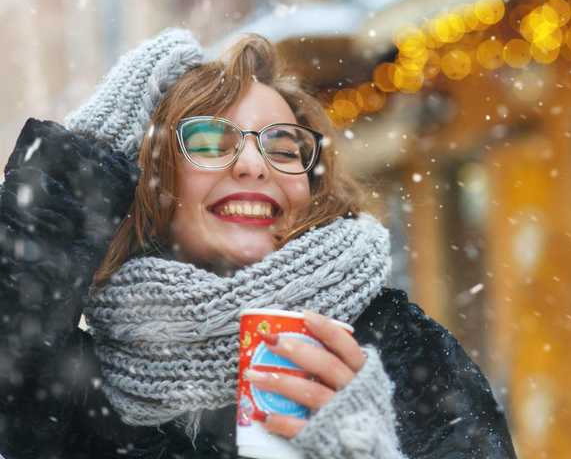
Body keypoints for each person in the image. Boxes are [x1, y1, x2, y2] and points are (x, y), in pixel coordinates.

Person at [0, 28, 516, 459]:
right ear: (152, 181)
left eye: (284, 148)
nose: (253, 164)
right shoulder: (76, 385)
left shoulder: (401, 348)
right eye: (209, 142)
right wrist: (91, 153)